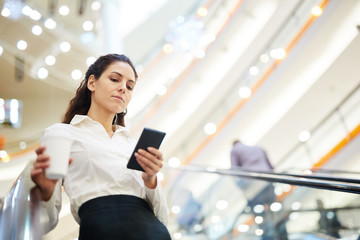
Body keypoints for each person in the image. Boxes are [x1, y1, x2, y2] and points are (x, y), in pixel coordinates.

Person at [30, 54, 171, 240]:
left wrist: (151, 179)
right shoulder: (60, 134)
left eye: (129, 87)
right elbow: (46, 221)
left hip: (153, 232)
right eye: (114, 79)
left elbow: (162, 218)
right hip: (101, 230)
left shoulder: (132, 145)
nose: (122, 88)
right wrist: (46, 192)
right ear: (92, 83)